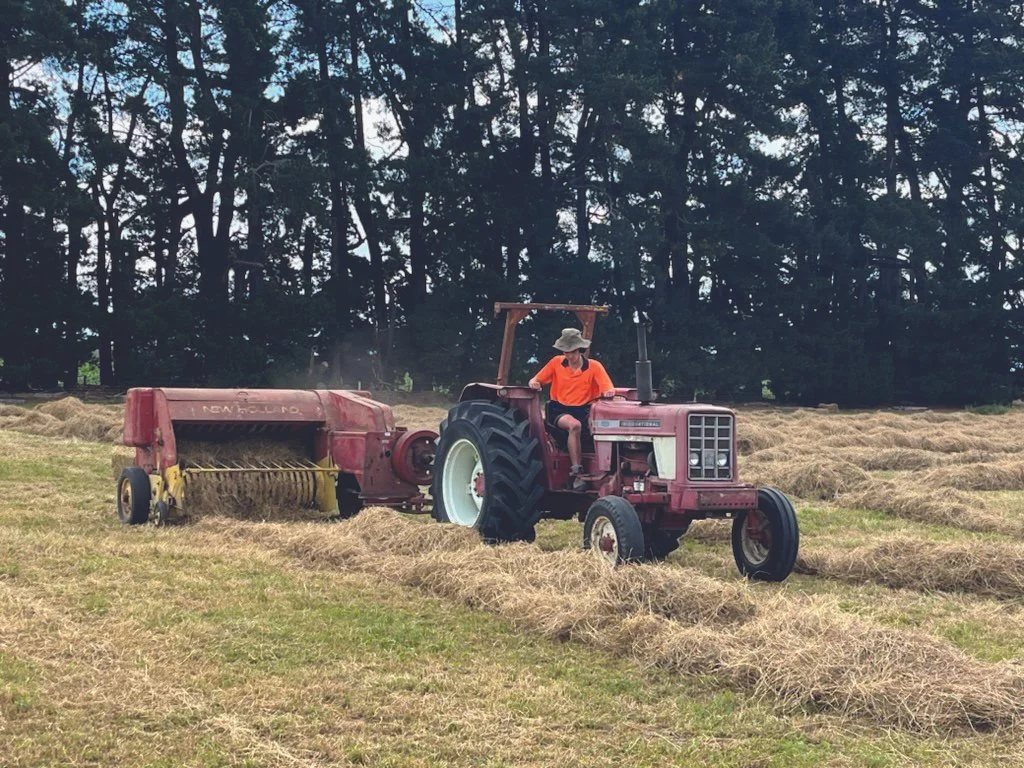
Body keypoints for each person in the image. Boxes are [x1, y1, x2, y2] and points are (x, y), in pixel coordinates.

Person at [528, 328, 615, 490]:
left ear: (580, 350)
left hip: (584, 410)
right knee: (574, 425)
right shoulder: (556, 363)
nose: (568, 356)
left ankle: (609, 469)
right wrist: (534, 383)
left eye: (572, 352)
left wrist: (609, 392)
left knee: (606, 424)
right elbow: (536, 379)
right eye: (565, 352)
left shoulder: (594, 367)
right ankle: (577, 472)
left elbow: (608, 388)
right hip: (559, 409)